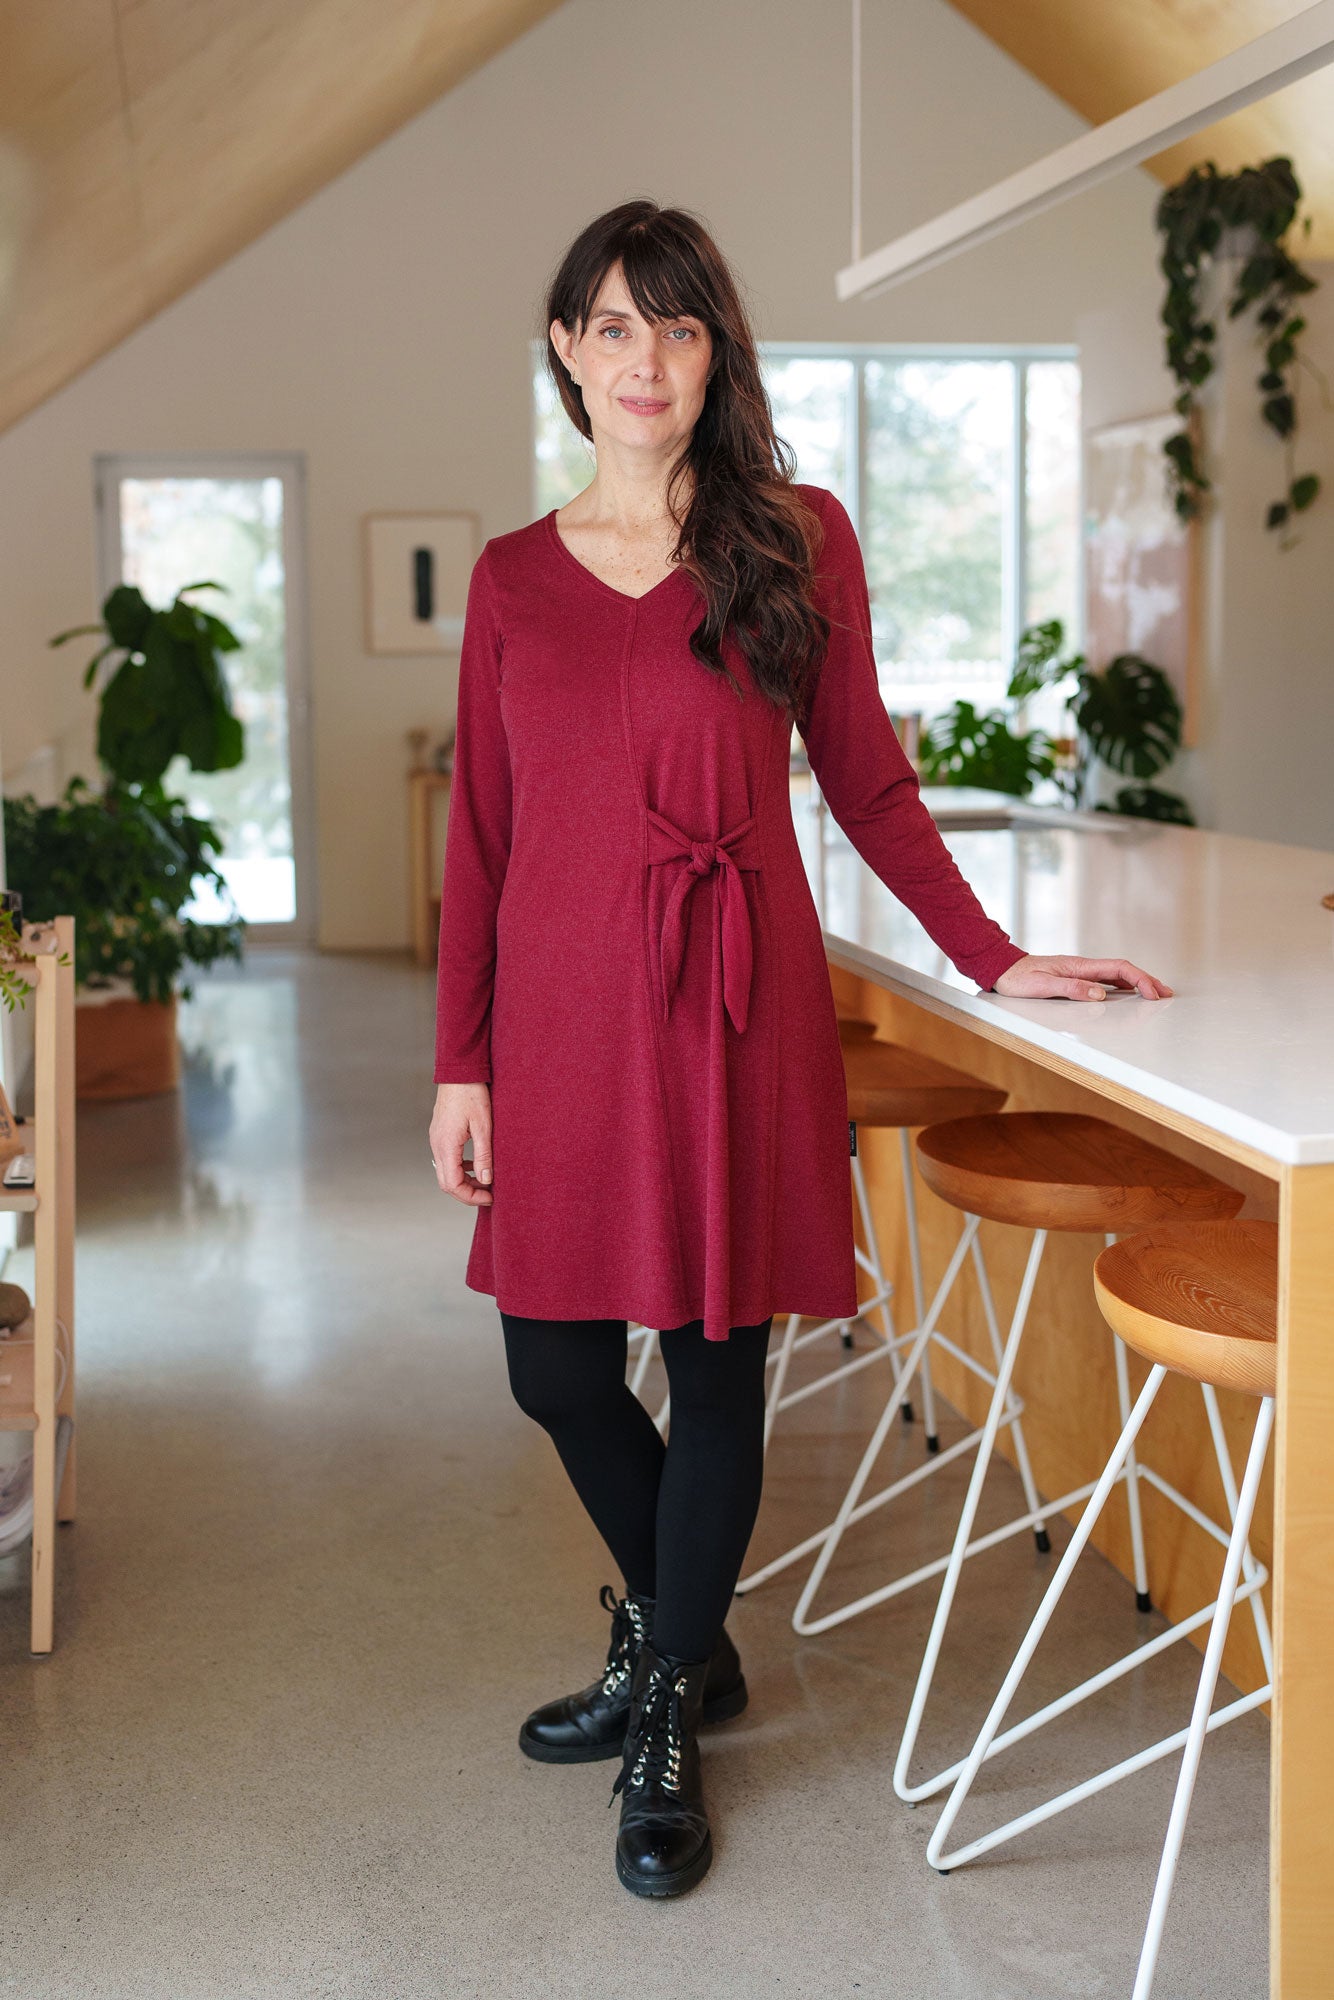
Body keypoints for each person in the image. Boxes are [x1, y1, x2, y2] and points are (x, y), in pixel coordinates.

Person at [428, 198, 1171, 1901]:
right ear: (564, 348)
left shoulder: (794, 537)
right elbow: (478, 837)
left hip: (729, 1006)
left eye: (676, 328)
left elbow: (868, 779)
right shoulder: (510, 581)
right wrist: (459, 1063)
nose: (644, 360)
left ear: (714, 355)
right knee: (552, 1364)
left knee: (710, 1361)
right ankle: (683, 1635)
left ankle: (669, 1702)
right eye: (612, 326)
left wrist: (995, 959)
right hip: (552, 1015)